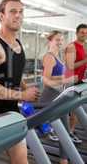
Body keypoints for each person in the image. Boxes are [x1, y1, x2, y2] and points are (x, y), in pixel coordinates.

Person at [0, 0, 40, 164]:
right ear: (1, 15)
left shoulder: (17, 43)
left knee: (21, 159)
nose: (18, 15)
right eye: (13, 11)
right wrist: (22, 96)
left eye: (21, 12)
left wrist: (25, 87)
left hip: (10, 112)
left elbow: (12, 74)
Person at [40, 30, 77, 164]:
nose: (60, 42)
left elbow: (53, 76)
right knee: (41, 131)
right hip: (49, 97)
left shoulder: (57, 56)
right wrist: (65, 80)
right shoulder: (49, 57)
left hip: (58, 96)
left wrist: (64, 78)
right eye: (57, 39)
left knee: (64, 131)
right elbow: (45, 80)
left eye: (62, 40)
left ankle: (64, 160)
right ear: (50, 41)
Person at [64, 23, 87, 144]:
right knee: (73, 109)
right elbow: (70, 66)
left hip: (80, 81)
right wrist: (85, 61)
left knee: (76, 109)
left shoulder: (84, 47)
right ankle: (68, 132)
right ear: (77, 33)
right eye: (82, 32)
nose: (84, 35)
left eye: (86, 33)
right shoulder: (72, 46)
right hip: (71, 81)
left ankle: (71, 130)